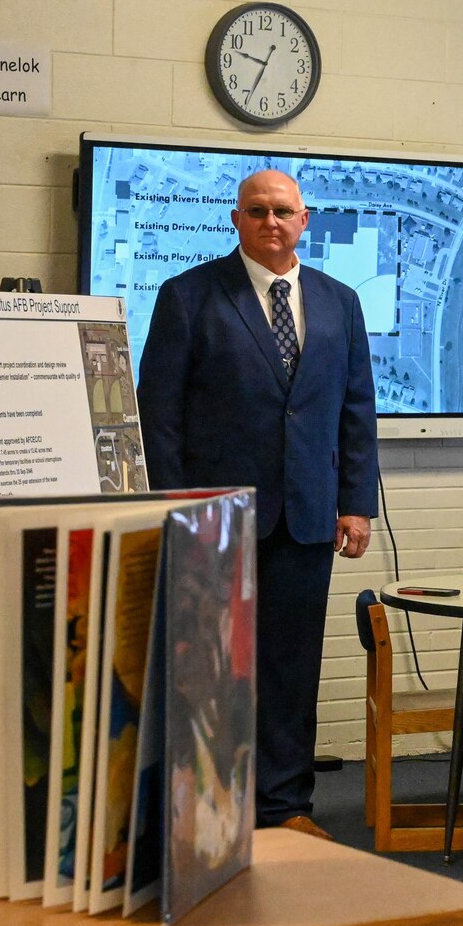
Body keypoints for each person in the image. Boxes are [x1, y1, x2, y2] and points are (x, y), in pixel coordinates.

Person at [138, 168, 379, 839]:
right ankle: (214, 807)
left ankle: (284, 807)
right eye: (257, 210)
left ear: (305, 220)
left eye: (283, 210)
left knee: (289, 669)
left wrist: (356, 503)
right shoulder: (188, 297)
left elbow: (357, 408)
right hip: (214, 519)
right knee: (212, 671)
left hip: (306, 517)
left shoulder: (339, 302)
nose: (271, 221)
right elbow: (159, 418)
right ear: (236, 220)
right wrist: (178, 509)